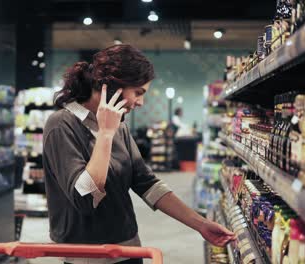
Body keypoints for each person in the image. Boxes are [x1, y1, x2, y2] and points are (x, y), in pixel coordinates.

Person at [42, 44, 234, 264]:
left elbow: (146, 183)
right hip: (86, 256)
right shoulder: (61, 125)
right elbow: (85, 198)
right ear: (111, 86)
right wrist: (105, 134)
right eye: (138, 92)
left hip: (128, 249)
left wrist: (200, 224)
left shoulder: (120, 128)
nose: (141, 102)